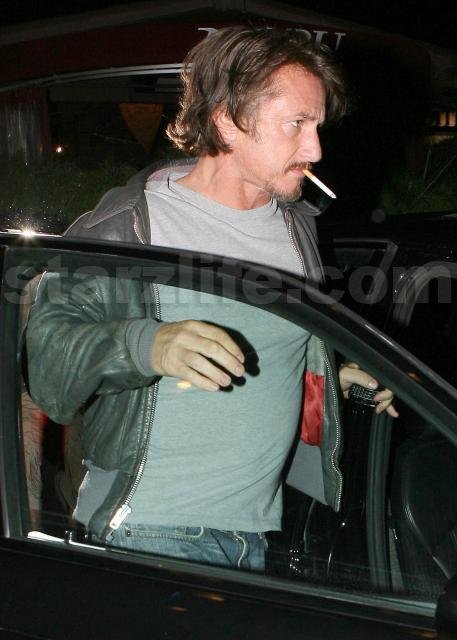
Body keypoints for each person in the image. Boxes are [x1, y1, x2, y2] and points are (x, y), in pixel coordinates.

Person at [26, 26, 396, 572]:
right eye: (297, 123)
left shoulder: (296, 227)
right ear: (226, 119)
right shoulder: (129, 225)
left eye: (317, 125)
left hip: (256, 533)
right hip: (148, 528)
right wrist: (147, 345)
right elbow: (47, 365)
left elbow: (262, 345)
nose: (315, 148)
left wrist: (330, 377)